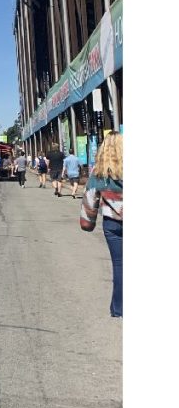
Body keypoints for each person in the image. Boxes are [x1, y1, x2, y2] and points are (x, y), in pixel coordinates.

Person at [79, 131, 123, 319]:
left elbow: (89, 200)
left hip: (112, 223)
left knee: (120, 266)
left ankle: (119, 308)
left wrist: (88, 223)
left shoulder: (99, 173)